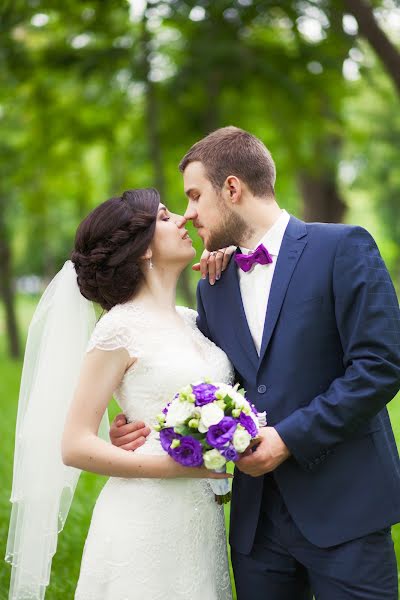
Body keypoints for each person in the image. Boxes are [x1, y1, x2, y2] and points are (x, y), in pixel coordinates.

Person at [111, 127, 400, 599]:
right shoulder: (213, 286)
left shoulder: (343, 247)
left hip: (347, 509)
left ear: (232, 188)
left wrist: (288, 438)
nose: (188, 214)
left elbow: (380, 365)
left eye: (194, 196)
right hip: (256, 529)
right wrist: (139, 424)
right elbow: (207, 379)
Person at [6, 188, 233, 600]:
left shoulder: (191, 320)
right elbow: (74, 445)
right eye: (165, 217)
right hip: (143, 519)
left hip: (199, 522)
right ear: (142, 249)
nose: (183, 219)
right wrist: (179, 467)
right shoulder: (118, 329)